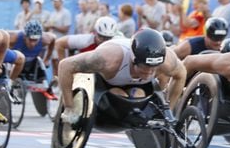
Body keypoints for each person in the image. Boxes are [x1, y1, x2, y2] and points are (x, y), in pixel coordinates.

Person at [57, 28, 186, 124]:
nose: (149, 72)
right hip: (108, 83)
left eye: (154, 68)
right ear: (133, 59)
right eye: (145, 67)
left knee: (138, 96)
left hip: (139, 88)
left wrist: (169, 108)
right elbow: (65, 66)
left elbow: (181, 74)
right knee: (119, 95)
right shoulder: (108, 59)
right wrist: (69, 107)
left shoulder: (167, 61)